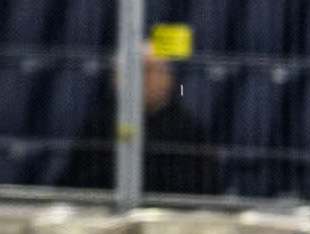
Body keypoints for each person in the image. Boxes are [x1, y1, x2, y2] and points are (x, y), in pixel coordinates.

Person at [60, 43, 218, 195]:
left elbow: (200, 188)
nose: (143, 79)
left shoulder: (187, 128)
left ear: (168, 78)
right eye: (132, 71)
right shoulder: (99, 123)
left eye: (150, 70)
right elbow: (77, 181)